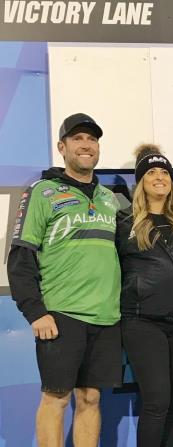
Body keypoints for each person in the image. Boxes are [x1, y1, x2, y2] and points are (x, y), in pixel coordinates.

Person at [7, 113, 122, 447]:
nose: (86, 145)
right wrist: (35, 311)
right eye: (78, 139)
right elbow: (20, 257)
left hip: (106, 317)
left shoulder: (109, 198)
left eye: (92, 139)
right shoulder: (42, 192)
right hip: (61, 315)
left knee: (90, 399)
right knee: (55, 399)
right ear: (62, 146)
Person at [116, 144, 173, 447]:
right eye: (151, 172)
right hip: (143, 322)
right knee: (157, 402)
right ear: (141, 181)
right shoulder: (125, 222)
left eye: (164, 172)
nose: (159, 177)